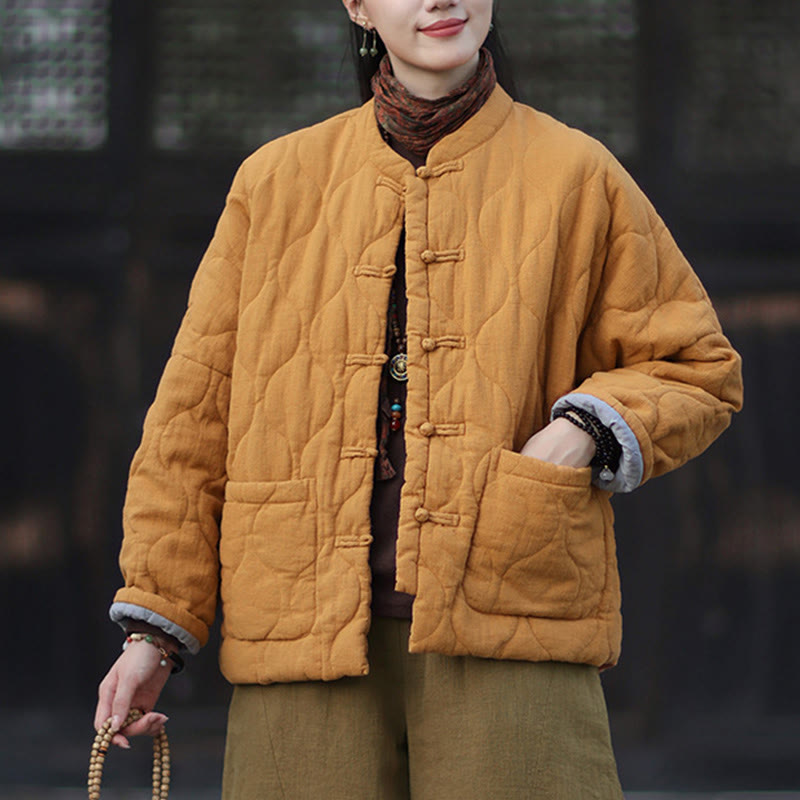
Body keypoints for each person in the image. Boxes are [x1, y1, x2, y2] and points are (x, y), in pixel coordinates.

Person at [95, 0, 744, 796]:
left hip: (512, 620)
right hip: (298, 635)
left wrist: (583, 429)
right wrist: (153, 630)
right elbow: (192, 421)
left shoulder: (575, 171)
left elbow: (695, 365)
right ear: (359, 6)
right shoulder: (274, 182)